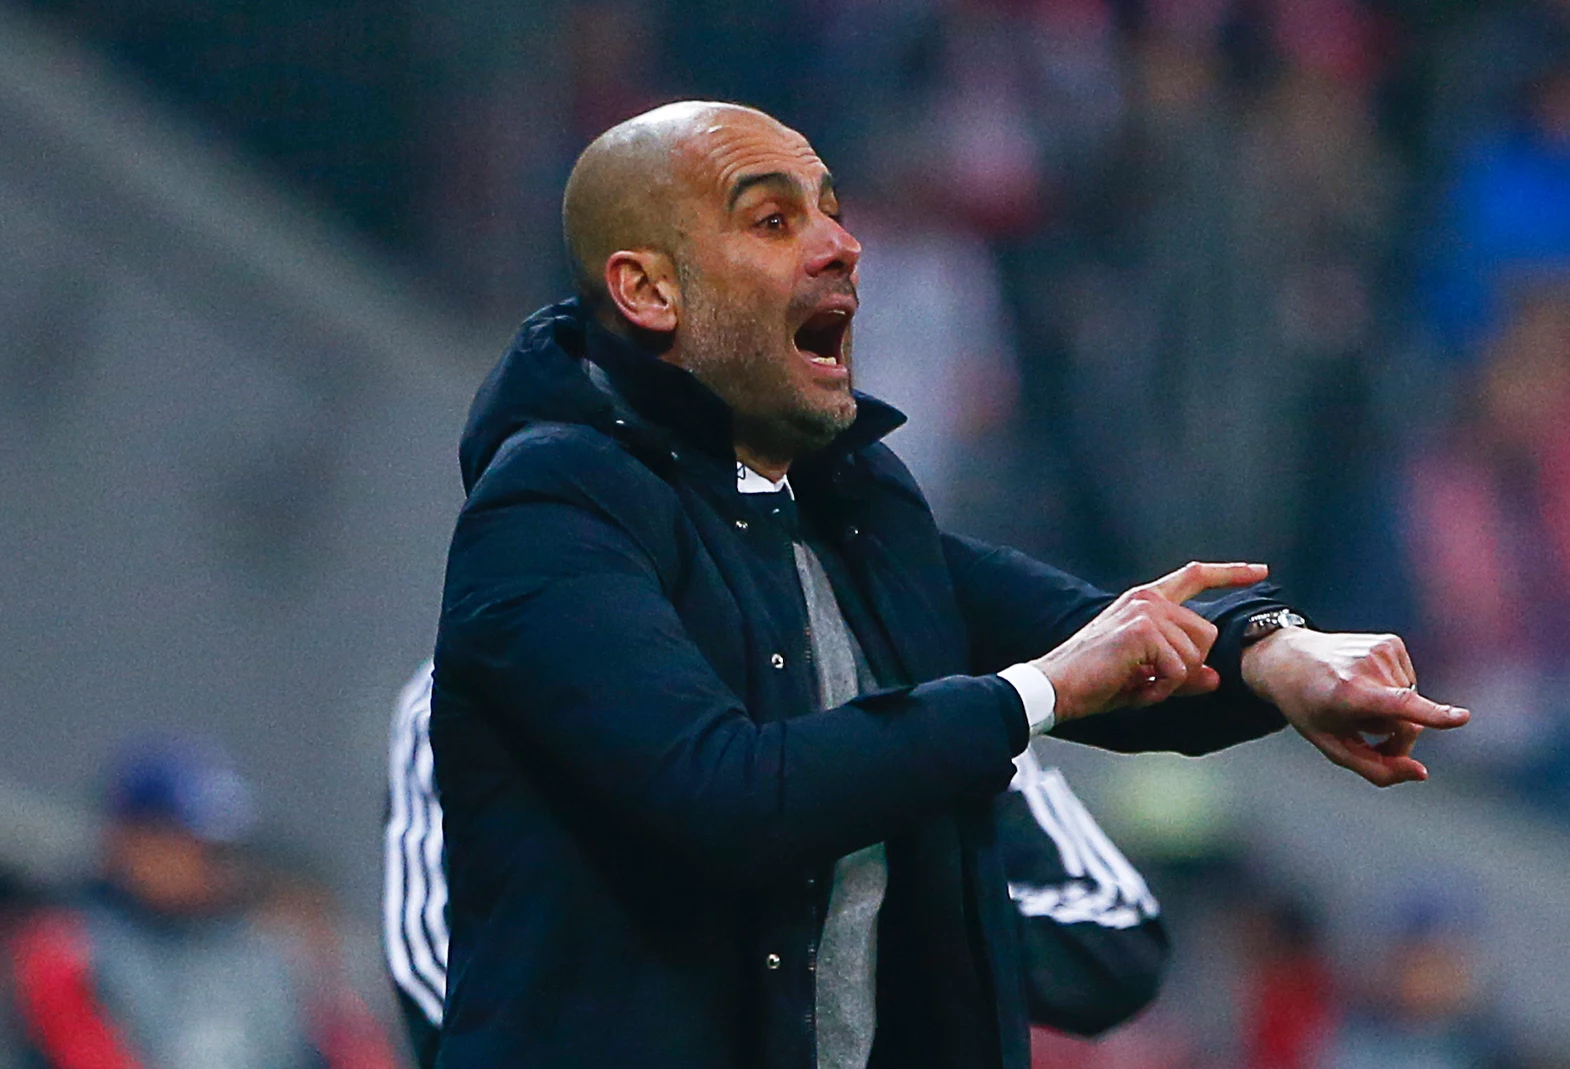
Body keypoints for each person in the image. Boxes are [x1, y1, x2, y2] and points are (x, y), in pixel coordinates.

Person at [429, 100, 1466, 1069]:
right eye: (774, 219)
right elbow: (726, 796)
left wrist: (1281, 653)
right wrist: (1035, 694)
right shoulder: (551, 514)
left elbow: (1089, 631)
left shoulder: (845, 506)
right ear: (648, 289)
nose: (842, 245)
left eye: (833, 212)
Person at [386, 663, 1171, 1069]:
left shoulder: (918, 682)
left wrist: (853, 914)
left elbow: (1115, 934)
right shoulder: (474, 687)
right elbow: (444, 994)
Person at [8, 740, 342, 1069]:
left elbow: (356, 1051)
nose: (213, 865)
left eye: (221, 850)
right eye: (194, 846)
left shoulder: (274, 947)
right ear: (133, 840)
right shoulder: (72, 945)